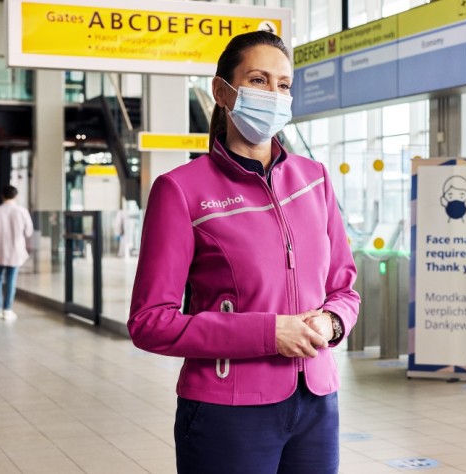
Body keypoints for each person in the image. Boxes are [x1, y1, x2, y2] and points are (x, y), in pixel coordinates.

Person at [128, 31, 360, 474]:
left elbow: (344, 288)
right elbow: (149, 322)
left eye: (284, 85)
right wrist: (268, 333)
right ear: (222, 91)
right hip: (227, 411)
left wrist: (332, 323)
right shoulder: (181, 190)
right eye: (258, 80)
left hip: (316, 402)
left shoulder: (315, 180)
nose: (274, 95)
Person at [0, 185, 33, 321]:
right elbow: (29, 232)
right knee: (11, 281)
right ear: (16, 196)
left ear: (2, 196)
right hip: (15, 252)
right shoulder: (22, 211)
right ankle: (7, 309)